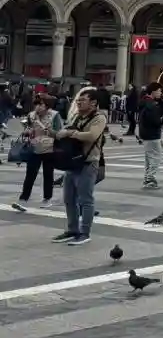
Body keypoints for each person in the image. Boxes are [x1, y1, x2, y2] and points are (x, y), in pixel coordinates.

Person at [53, 88, 107, 246]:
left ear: (93, 103)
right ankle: (72, 230)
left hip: (88, 162)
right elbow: (64, 131)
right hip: (72, 161)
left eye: (82, 100)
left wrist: (71, 134)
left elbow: (92, 135)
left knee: (85, 199)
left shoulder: (99, 117)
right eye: (77, 100)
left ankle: (85, 233)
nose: (78, 103)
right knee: (69, 198)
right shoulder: (77, 117)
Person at [11, 93, 60, 210]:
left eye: (41, 104)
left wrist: (47, 130)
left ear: (47, 105)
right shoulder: (31, 115)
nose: (38, 107)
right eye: (36, 104)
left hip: (49, 148)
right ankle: (23, 199)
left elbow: (59, 132)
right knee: (30, 175)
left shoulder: (54, 115)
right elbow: (28, 128)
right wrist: (27, 132)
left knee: (48, 175)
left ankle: (47, 198)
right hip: (34, 147)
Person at [137, 83, 163, 189]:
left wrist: (162, 102)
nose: (161, 93)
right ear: (153, 92)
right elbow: (154, 120)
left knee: (149, 158)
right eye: (159, 91)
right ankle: (150, 179)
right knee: (156, 158)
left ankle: (147, 178)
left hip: (146, 134)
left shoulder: (145, 102)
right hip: (152, 135)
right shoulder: (151, 105)